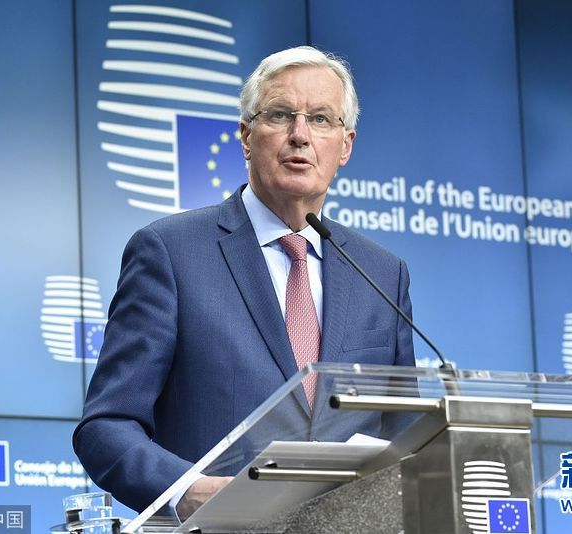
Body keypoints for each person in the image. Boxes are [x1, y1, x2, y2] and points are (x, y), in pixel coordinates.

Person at [73, 46, 416, 519]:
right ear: (246, 136)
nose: (300, 135)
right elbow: (107, 426)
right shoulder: (170, 252)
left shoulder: (382, 274)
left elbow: (407, 438)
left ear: (345, 146)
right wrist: (188, 491)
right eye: (280, 115)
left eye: (320, 119)